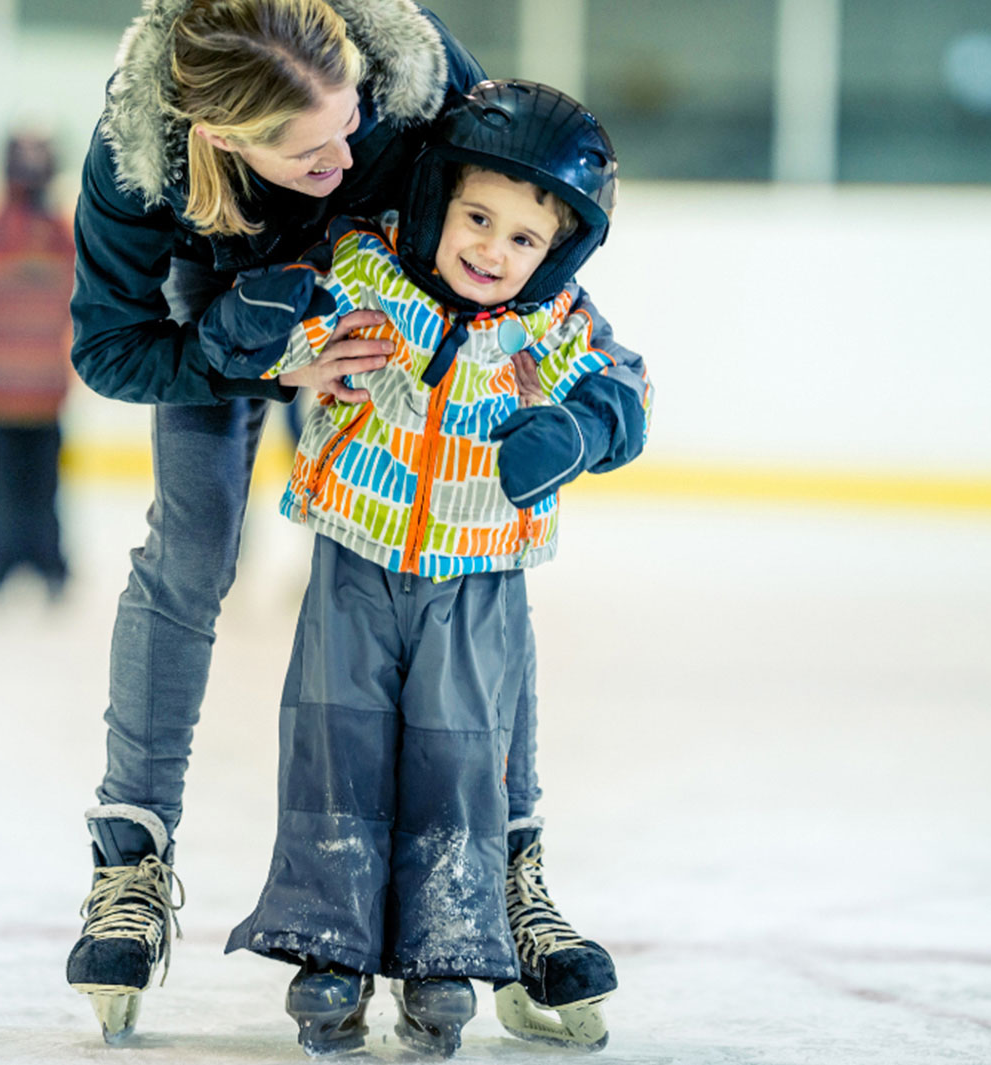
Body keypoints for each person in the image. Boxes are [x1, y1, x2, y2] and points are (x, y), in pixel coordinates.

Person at [63, 0, 643, 1048]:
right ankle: (130, 862)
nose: (348, 147)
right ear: (224, 140)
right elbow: (109, 349)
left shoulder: (412, 78)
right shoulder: (136, 159)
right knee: (189, 557)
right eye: (310, 147)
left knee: (473, 563)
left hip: (390, 290)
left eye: (353, 123)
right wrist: (254, 357)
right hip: (224, 314)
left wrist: (578, 408)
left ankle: (508, 873)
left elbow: (528, 233)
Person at [198, 79, 653, 1056]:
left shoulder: (553, 324)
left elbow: (626, 393)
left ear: (556, 252)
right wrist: (259, 315)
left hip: (477, 584)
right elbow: (260, 339)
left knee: (456, 765)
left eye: (524, 239)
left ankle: (448, 950)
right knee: (337, 755)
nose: (494, 250)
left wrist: (577, 428)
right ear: (439, 200)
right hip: (354, 566)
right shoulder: (367, 276)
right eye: (478, 218)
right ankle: (329, 945)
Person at [0, 134, 74, 596]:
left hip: (6, 385)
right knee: (41, 485)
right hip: (41, 386)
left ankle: (4, 565)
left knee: (9, 484)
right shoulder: (62, 239)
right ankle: (43, 565)